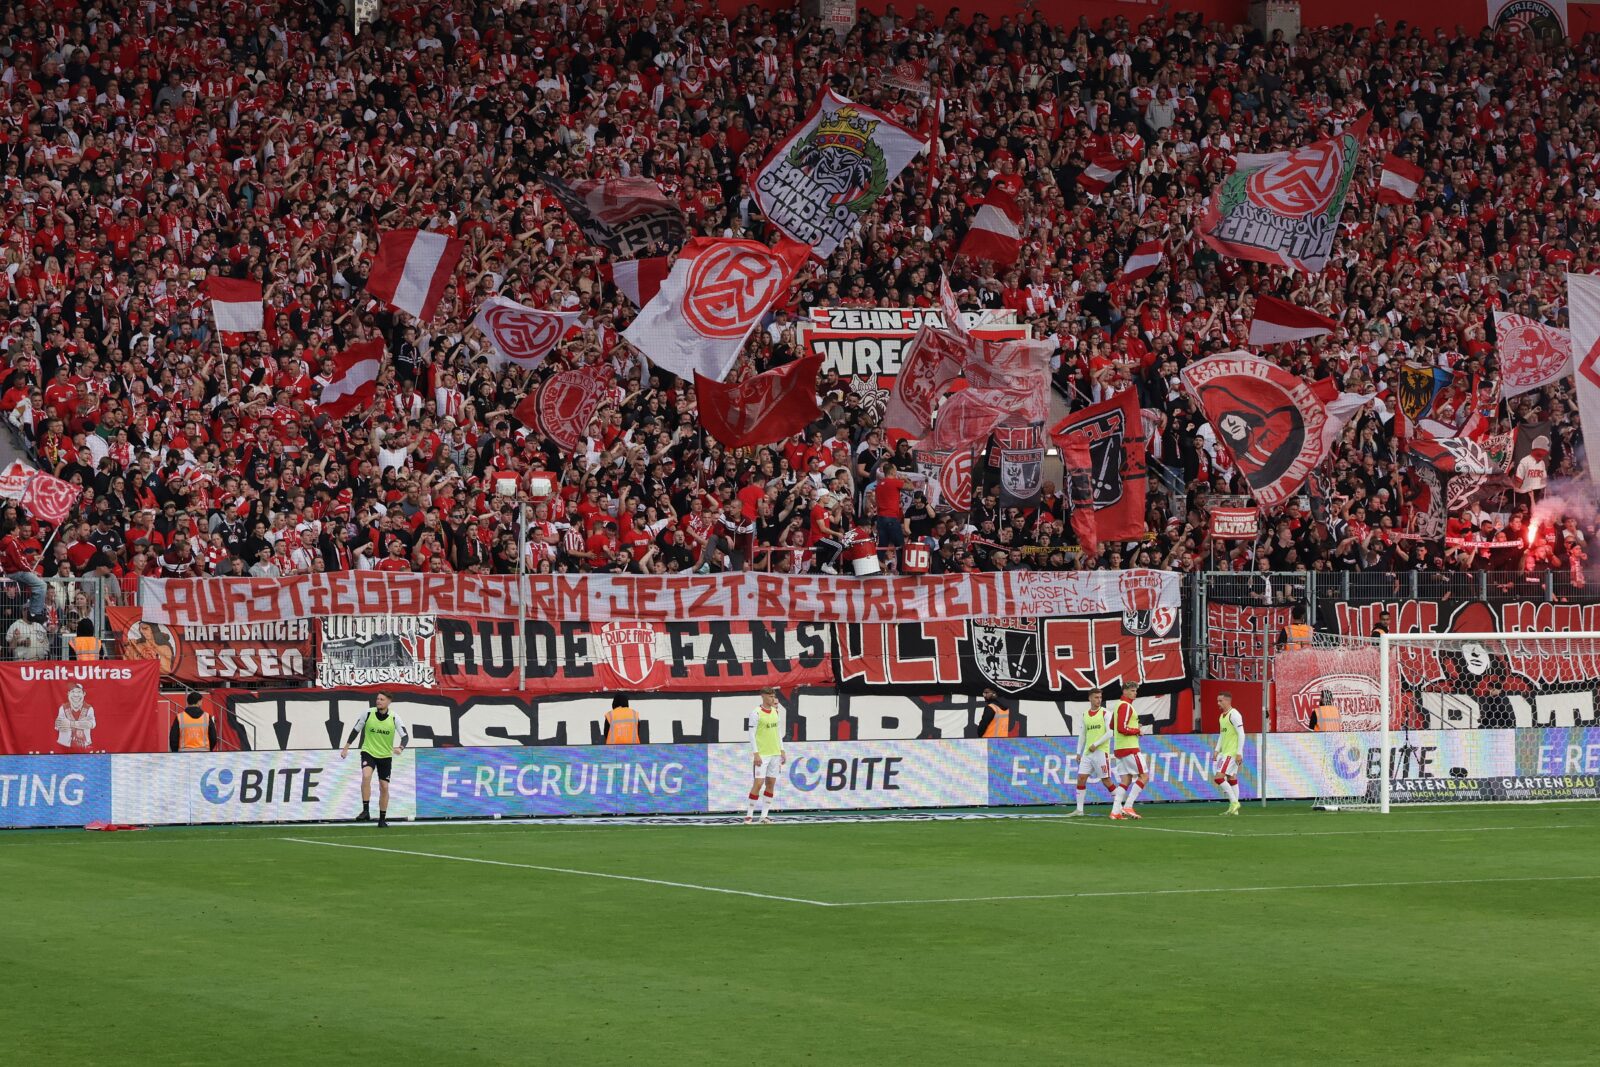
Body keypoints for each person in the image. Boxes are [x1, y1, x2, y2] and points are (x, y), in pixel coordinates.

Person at [339, 692, 409, 827]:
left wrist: (400, 748)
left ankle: (382, 819)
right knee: (366, 776)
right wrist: (346, 748)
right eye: (377, 699)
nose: (378, 701)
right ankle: (365, 811)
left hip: (385, 756)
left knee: (384, 787)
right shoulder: (368, 713)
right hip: (368, 751)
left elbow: (405, 736)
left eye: (382, 699)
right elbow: (355, 730)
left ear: (389, 701)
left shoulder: (395, 718)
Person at [1068, 688, 1116, 816]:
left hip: (1101, 752)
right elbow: (1082, 734)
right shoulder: (1085, 715)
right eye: (1096, 697)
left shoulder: (1106, 713)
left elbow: (1110, 732)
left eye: (1100, 697)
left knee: (1106, 781)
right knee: (1081, 778)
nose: (1099, 700)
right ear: (1089, 698)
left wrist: (1096, 744)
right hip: (1087, 753)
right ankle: (1079, 810)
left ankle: (1119, 806)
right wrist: (1078, 752)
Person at [745, 687, 785, 825]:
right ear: (762, 696)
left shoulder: (775, 711)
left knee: (771, 784)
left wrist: (782, 750)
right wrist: (756, 753)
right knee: (758, 783)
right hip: (762, 754)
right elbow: (751, 734)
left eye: (773, 696)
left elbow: (778, 732)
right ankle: (749, 815)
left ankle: (764, 816)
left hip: (775, 753)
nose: (772, 699)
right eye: (769, 696)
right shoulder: (755, 713)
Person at [1110, 682, 1148, 821]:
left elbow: (1111, 725)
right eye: (1132, 690)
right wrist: (1137, 730)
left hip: (1119, 747)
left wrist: (1133, 726)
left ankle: (1115, 811)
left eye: (1135, 690)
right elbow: (1121, 728)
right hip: (1129, 747)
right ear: (1124, 691)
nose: (1135, 693)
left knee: (1125, 779)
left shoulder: (1118, 705)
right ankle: (1128, 806)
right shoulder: (1126, 706)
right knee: (1144, 776)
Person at [0, 520, 46, 620]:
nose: (19, 530)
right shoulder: (12, 543)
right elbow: (19, 561)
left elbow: (19, 558)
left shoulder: (5, 541)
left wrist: (33, 558)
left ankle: (33, 610)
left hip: (11, 571)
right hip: (16, 572)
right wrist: (30, 571)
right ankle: (35, 613)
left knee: (36, 587)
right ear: (12, 531)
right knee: (41, 585)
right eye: (17, 529)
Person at [1213, 691, 1246, 816]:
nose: (1218, 703)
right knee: (1232, 778)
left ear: (1227, 701)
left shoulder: (1234, 714)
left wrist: (1239, 752)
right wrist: (1217, 749)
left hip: (1232, 753)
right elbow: (1222, 734)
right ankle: (1235, 810)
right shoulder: (1222, 716)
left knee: (1219, 777)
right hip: (1225, 752)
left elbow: (1241, 734)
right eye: (1218, 701)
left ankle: (1234, 802)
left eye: (1220, 701)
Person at [54, 684, 96, 750]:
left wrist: (69, 724)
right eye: (73, 692)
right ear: (68, 694)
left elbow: (90, 724)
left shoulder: (89, 708)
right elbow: (59, 726)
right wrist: (80, 724)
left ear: (84, 694)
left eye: (79, 692)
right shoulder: (62, 708)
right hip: (64, 746)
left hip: (85, 745)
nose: (76, 695)